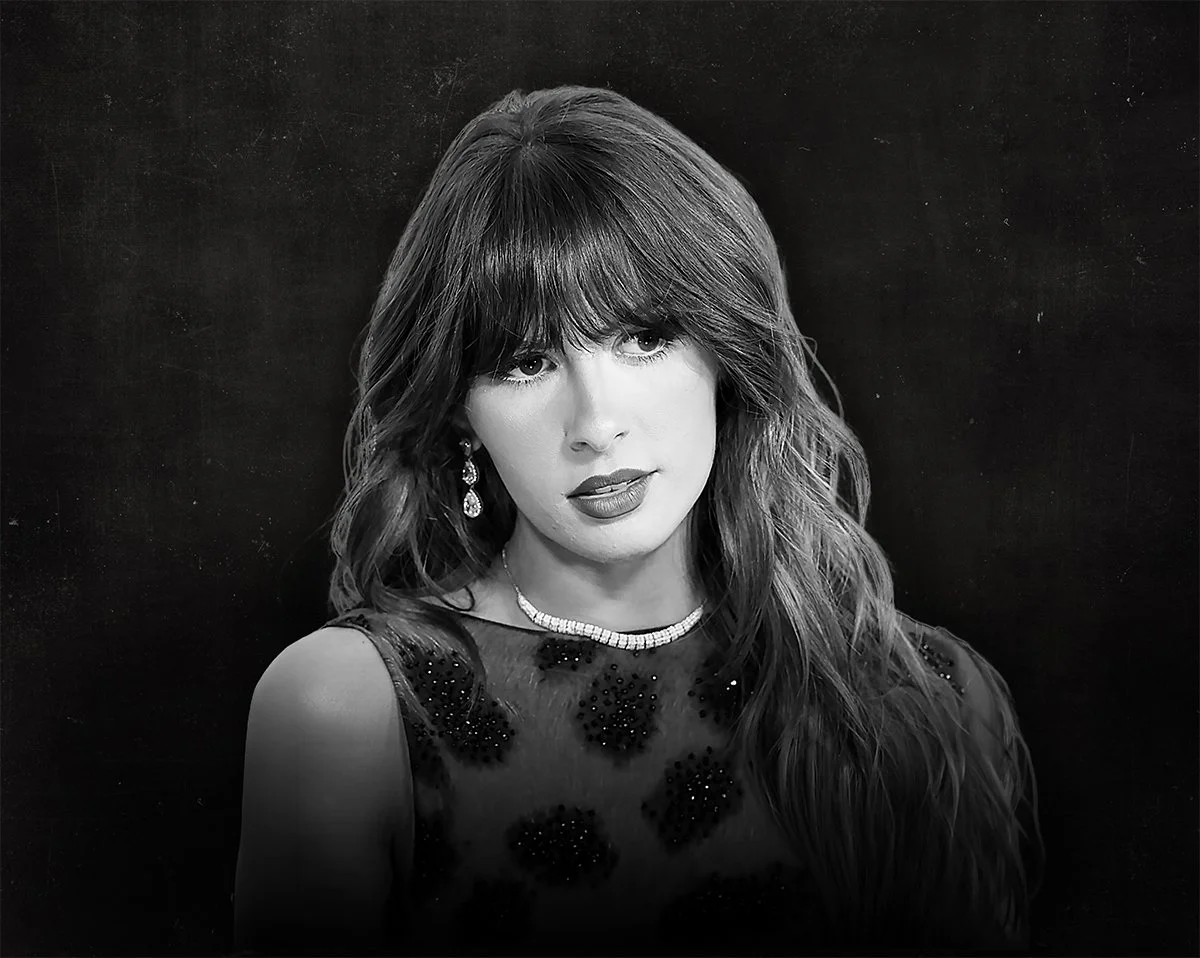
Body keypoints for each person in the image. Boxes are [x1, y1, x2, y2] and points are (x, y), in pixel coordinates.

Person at [233, 84, 1044, 956]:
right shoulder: (347, 711)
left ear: (727, 353)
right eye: (525, 362)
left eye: (644, 338)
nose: (596, 423)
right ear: (460, 412)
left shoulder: (928, 696)